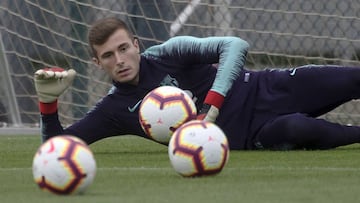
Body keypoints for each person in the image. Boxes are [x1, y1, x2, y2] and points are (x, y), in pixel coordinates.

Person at [34, 17, 360, 150]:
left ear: (136, 44)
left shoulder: (169, 53)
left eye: (123, 49)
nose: (119, 60)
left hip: (269, 86)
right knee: (296, 130)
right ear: (97, 63)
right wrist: (48, 106)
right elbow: (57, 147)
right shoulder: (113, 109)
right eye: (107, 56)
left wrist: (211, 107)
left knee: (352, 78)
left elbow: (234, 46)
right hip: (254, 134)